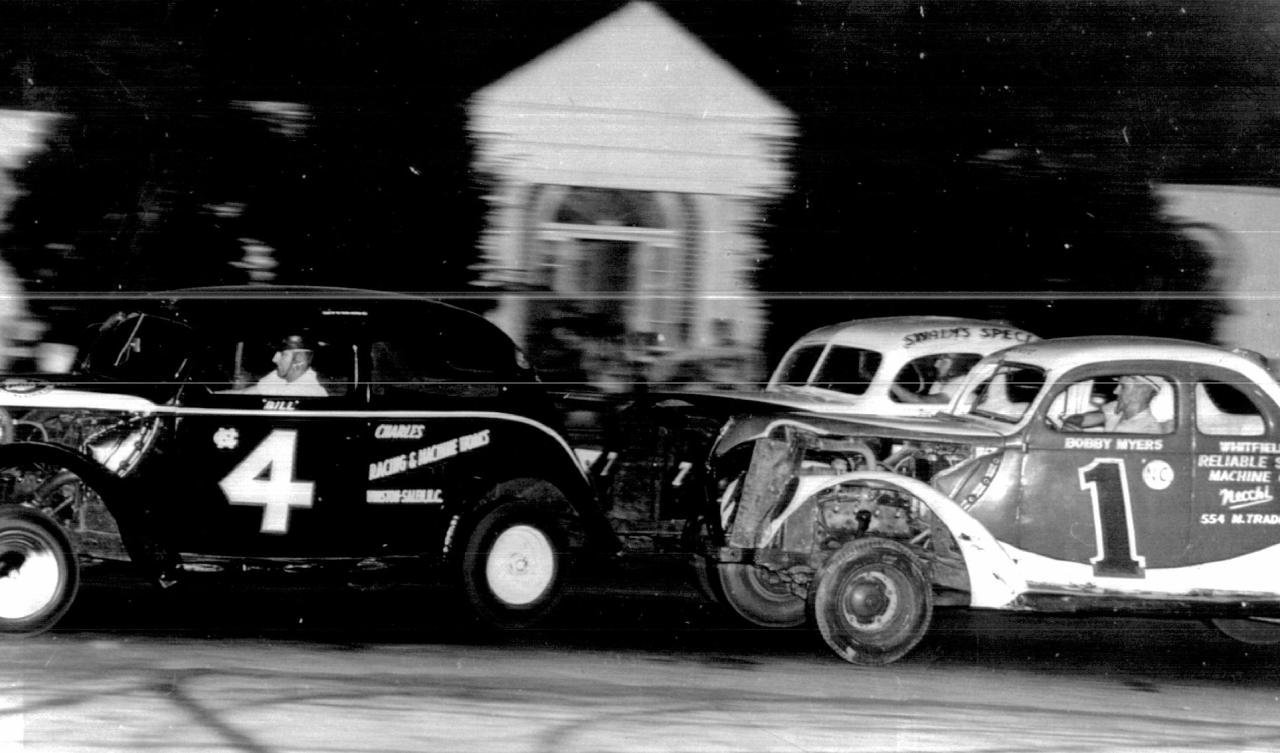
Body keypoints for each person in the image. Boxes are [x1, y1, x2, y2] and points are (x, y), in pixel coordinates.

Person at [1063, 375, 1167, 434]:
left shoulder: (1148, 430)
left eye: (1123, 387)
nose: (1115, 391)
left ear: (1141, 392)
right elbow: (1083, 418)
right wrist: (1072, 423)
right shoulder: (1116, 408)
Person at [243, 334, 328, 397]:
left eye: (282, 355)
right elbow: (250, 392)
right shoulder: (280, 377)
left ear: (299, 358)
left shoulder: (310, 393)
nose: (274, 359)